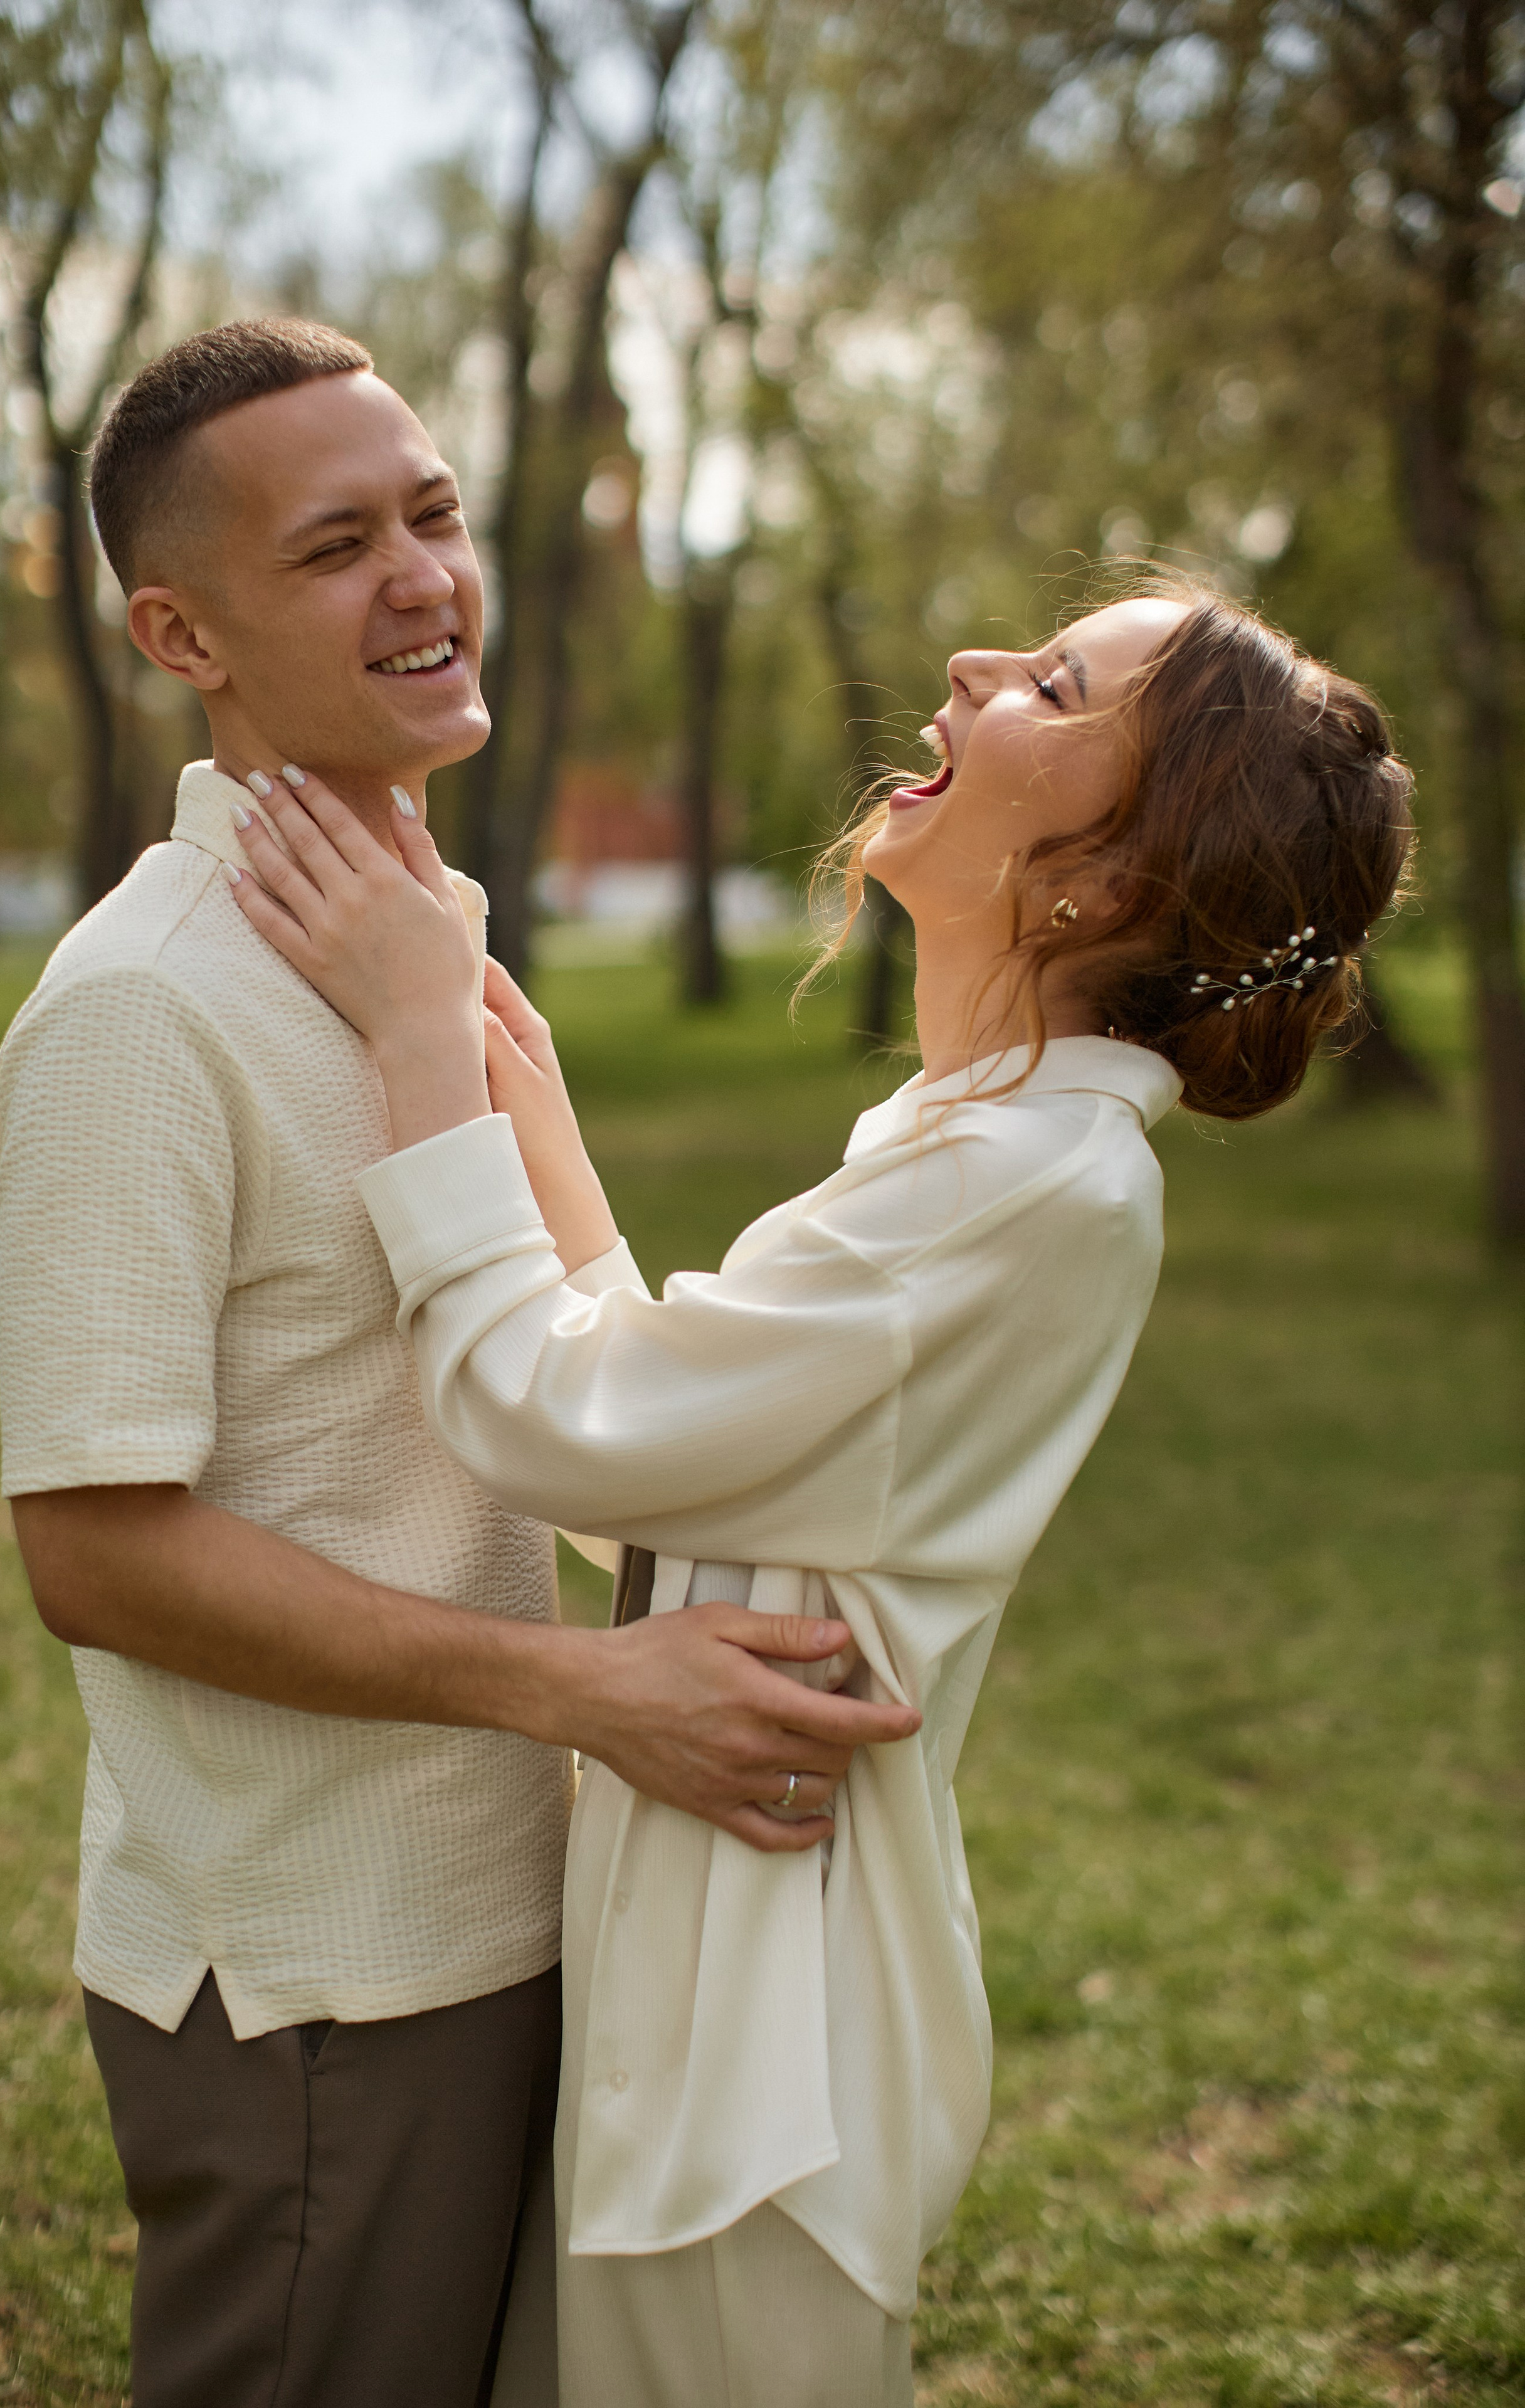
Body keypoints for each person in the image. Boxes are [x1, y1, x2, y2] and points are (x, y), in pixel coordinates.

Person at [225, 575, 1415, 2408]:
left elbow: (547, 1425)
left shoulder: (1029, 1182)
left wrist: (408, 1052)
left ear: (1107, 879)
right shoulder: (979, 1144)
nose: (972, 667)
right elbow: (672, 1482)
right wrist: (524, 1107)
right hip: (704, 1985)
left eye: (1054, 685)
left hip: (763, 2049)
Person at [0, 318, 919, 2408]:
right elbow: (97, 1551)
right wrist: (591, 1693)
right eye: (335, 548)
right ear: (179, 630)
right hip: (324, 1973)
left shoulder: (424, 951)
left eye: (435, 514)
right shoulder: (140, 1010)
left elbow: (560, 1375)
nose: (424, 578)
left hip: (513, 1912)